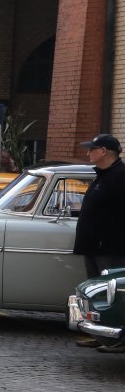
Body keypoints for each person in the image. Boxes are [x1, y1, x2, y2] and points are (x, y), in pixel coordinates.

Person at [74, 134, 125, 350]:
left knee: (112, 295)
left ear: (103, 151)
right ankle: (101, 333)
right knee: (95, 294)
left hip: (110, 248)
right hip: (94, 246)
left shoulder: (120, 176)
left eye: (92, 149)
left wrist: (108, 237)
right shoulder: (102, 175)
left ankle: (118, 339)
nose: (88, 153)